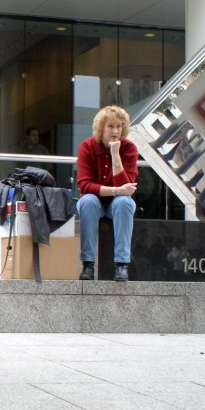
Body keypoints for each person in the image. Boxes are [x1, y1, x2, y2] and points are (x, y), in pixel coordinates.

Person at [76, 105, 138, 282]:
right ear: (101, 128)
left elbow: (127, 186)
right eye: (110, 126)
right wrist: (117, 190)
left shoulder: (129, 149)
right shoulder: (87, 147)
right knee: (88, 201)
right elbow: (85, 185)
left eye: (119, 126)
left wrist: (115, 155)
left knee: (124, 203)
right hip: (93, 201)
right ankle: (88, 264)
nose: (115, 131)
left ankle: (121, 265)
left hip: (116, 204)